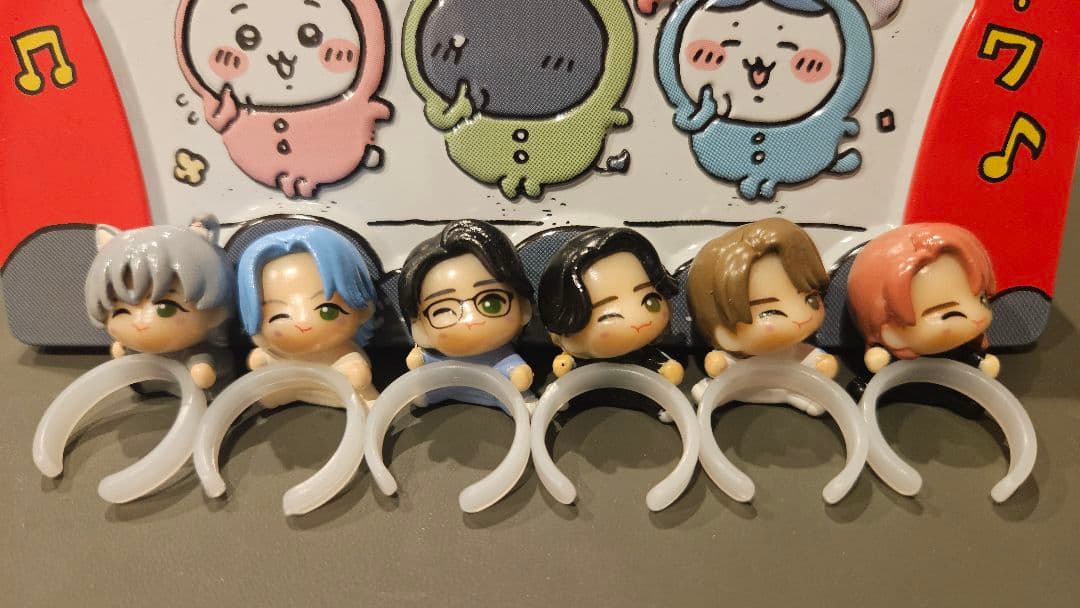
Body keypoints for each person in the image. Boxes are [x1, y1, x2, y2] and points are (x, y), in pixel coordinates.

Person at [687, 218, 836, 414]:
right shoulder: (732, 348)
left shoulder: (794, 351)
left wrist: (821, 364)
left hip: (789, 387)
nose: (800, 317)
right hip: (739, 388)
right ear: (724, 333)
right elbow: (720, 366)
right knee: (706, 393)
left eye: (811, 300)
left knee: (816, 399)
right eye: (770, 312)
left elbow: (812, 360)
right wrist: (720, 364)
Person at [86, 215, 234, 394]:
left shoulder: (202, 351)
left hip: (202, 393)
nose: (140, 322)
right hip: (150, 385)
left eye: (165, 308)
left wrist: (203, 371)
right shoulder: (137, 350)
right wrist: (124, 351)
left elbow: (212, 369)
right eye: (122, 311)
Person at [398, 220, 536, 412]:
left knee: (517, 400)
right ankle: (431, 395)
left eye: (491, 302)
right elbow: (418, 362)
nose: (471, 320)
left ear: (523, 307)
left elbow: (517, 374)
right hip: (446, 383)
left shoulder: (503, 359)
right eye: (443, 310)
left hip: (499, 391)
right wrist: (419, 358)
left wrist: (518, 375)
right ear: (420, 327)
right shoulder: (436, 357)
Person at [236, 225, 379, 407]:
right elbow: (259, 362)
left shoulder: (345, 356)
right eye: (278, 316)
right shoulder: (276, 353)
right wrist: (264, 360)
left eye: (327, 309)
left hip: (342, 392)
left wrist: (355, 373)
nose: (303, 321)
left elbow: (357, 375)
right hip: (291, 383)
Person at [538, 227, 684, 385]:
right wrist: (567, 362)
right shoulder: (580, 357)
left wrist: (666, 367)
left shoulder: (644, 352)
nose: (636, 321)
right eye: (608, 317)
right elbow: (565, 368)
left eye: (650, 302)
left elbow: (662, 364)